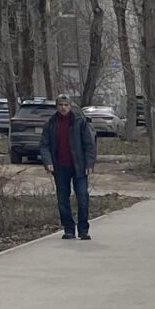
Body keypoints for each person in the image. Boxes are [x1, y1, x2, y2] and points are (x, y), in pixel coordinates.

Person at [43, 96, 96, 239]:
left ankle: (83, 230)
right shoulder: (51, 124)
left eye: (66, 104)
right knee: (62, 200)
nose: (63, 107)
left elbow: (89, 144)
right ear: (57, 106)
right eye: (60, 105)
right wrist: (48, 161)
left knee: (82, 197)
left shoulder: (79, 122)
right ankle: (69, 229)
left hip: (79, 166)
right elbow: (44, 145)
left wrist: (89, 163)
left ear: (70, 106)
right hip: (60, 167)